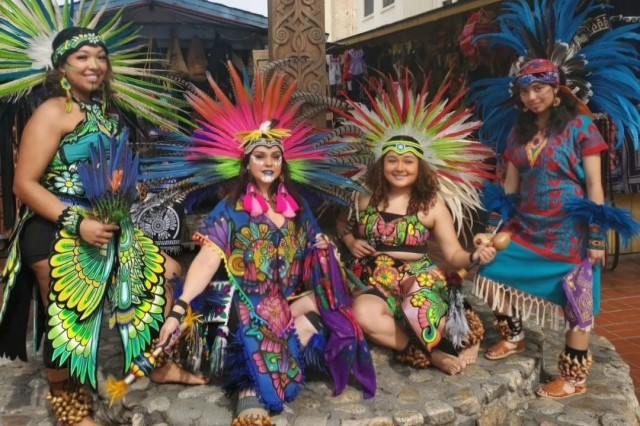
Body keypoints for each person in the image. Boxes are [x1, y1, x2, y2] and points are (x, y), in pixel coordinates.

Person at [0, 25, 204, 425]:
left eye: (100, 57)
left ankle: (157, 365)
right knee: (69, 319)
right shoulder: (50, 112)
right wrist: (78, 223)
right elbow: (22, 183)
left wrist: (132, 188)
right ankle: (72, 408)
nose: (94, 65)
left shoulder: (104, 113)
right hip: (55, 229)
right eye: (82, 58)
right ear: (61, 66)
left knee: (165, 273)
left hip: (111, 225)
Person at [153, 63, 375, 426]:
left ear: (284, 162)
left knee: (331, 306)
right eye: (260, 156)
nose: (268, 163)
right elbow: (209, 259)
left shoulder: (297, 207)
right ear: (246, 163)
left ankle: (269, 371)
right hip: (248, 302)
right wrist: (180, 307)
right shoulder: (232, 209)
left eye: (275, 156)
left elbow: (313, 250)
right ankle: (249, 392)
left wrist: (324, 249)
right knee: (258, 334)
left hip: (287, 299)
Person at [468, 0, 640, 401]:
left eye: (540, 88)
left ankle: (574, 376)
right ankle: (513, 336)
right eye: (525, 90)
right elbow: (509, 188)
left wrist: (597, 238)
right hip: (527, 228)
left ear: (557, 89)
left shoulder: (582, 128)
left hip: (571, 234)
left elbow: (595, 188)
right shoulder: (516, 133)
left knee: (578, 302)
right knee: (491, 273)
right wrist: (493, 230)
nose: (532, 97)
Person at [335, 73, 497, 375]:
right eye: (392, 161)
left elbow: (453, 255)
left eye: (408, 161)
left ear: (419, 167)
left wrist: (475, 256)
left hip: (417, 280)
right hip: (374, 280)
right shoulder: (364, 198)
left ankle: (456, 336)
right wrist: (349, 241)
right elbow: (342, 221)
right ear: (381, 165)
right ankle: (425, 354)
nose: (400, 167)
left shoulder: (431, 205)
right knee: (363, 314)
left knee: (428, 316)